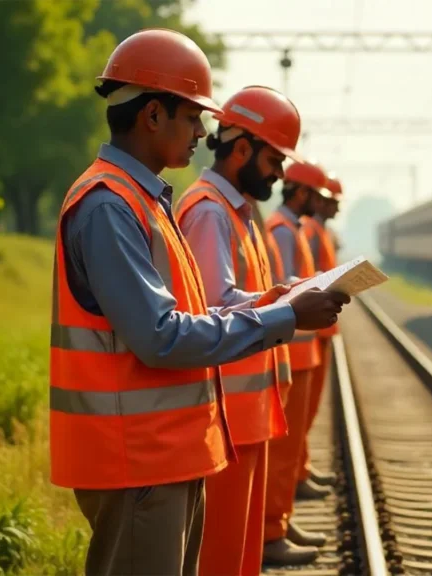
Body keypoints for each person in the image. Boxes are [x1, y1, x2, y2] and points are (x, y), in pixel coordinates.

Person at [49, 29, 349, 576]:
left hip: (163, 455)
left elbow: (188, 313)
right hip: (136, 460)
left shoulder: (144, 200)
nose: (202, 133)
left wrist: (269, 305)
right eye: (192, 117)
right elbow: (162, 335)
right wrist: (281, 317)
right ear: (153, 115)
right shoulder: (109, 206)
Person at [173, 85, 317, 572]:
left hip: (245, 412)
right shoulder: (210, 211)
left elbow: (237, 297)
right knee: (223, 556)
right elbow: (214, 311)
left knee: (241, 553)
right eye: (275, 162)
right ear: (241, 150)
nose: (280, 175)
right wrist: (288, 308)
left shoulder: (231, 210)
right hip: (228, 417)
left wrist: (284, 296)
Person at [262, 160, 335, 563]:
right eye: (321, 196)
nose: (328, 206)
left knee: (292, 445)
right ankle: (271, 529)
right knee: (285, 446)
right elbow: (284, 286)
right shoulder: (282, 229)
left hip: (302, 345)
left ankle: (279, 521)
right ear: (302, 193)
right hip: (292, 346)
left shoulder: (290, 229)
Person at [299, 173, 343, 474]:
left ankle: (302, 467)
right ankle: (298, 471)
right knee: (303, 410)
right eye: (333, 203)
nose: (337, 210)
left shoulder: (319, 231)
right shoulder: (309, 231)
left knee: (309, 409)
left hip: (321, 328)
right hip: (310, 331)